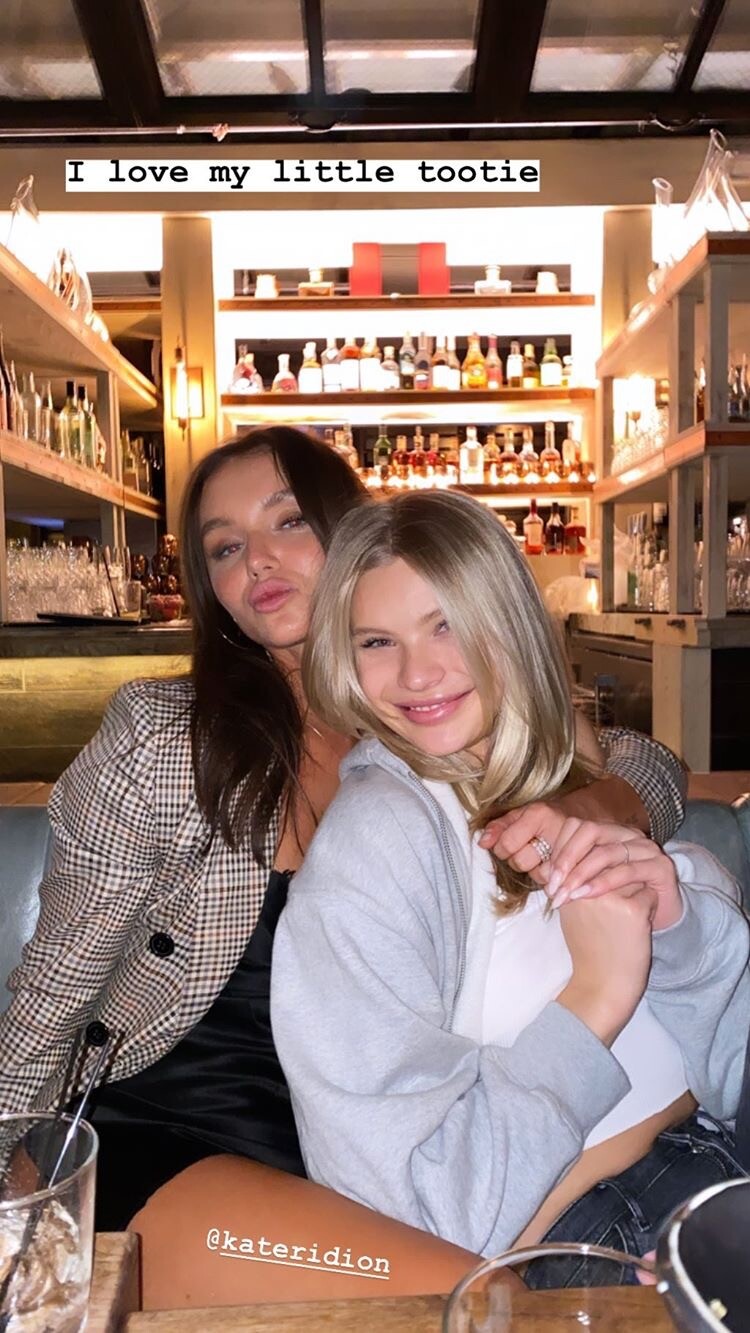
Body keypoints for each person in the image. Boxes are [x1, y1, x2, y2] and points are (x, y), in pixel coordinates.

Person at [0, 428, 687, 1247]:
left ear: (353, 532)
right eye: (224, 547)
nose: (256, 560)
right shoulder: (167, 738)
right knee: (458, 1290)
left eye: (287, 521)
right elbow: (57, 978)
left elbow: (642, 759)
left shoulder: (414, 709)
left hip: (372, 1152)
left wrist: (603, 803)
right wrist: (12, 1160)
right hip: (174, 1127)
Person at [271, 488, 750, 1282]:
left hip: (718, 1161)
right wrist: (594, 997)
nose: (417, 672)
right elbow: (415, 1212)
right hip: (607, 1225)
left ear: (511, 623)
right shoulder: (373, 848)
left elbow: (733, 1068)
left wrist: (678, 929)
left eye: (447, 624)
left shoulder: (567, 767)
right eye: (378, 641)